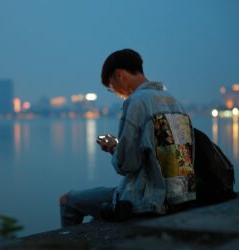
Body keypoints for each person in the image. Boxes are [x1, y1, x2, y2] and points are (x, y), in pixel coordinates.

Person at [59, 48, 196, 227]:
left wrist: (114, 149)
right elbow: (171, 156)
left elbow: (127, 165)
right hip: (180, 196)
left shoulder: (136, 102)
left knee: (67, 201)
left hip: (148, 200)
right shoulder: (173, 101)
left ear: (119, 75)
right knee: (98, 216)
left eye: (111, 87)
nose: (115, 92)